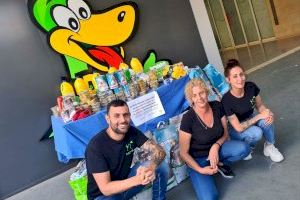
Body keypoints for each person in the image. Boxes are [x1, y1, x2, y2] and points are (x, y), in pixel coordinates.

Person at [179, 79, 250, 200]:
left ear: (206, 92)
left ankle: (220, 164)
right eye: (194, 95)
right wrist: (200, 170)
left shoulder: (217, 106)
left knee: (244, 148)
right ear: (191, 99)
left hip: (218, 149)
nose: (199, 98)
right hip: (198, 159)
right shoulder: (188, 119)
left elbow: (225, 133)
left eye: (201, 93)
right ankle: (205, 172)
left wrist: (215, 146)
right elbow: (183, 153)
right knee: (209, 198)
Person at [85, 99, 169, 200]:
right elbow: (106, 189)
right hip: (104, 196)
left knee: (161, 166)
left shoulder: (131, 132)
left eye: (126, 115)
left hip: (126, 182)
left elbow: (159, 151)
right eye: (117, 116)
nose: (123, 120)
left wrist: (151, 168)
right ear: (108, 119)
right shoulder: (95, 147)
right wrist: (138, 179)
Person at [221, 59, 284, 162]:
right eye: (235, 76)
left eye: (241, 74)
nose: (240, 79)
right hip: (235, 129)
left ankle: (269, 146)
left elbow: (260, 106)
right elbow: (238, 128)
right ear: (228, 79)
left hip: (250, 118)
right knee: (257, 132)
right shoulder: (226, 100)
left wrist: (267, 113)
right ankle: (246, 146)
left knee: (266, 118)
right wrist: (259, 116)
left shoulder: (251, 87)